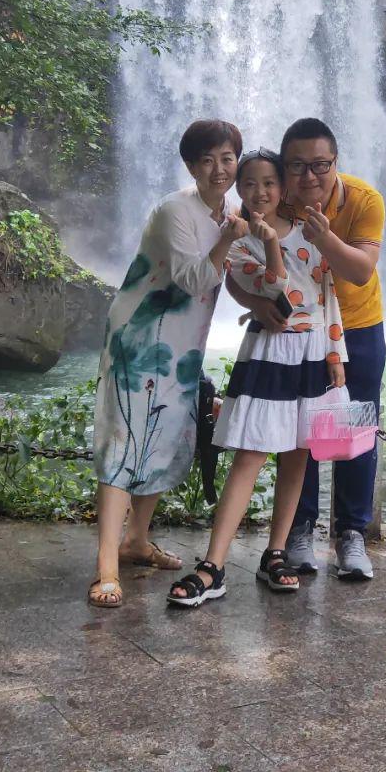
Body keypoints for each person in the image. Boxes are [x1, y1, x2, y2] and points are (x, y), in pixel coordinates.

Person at [167, 148, 348, 608]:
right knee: (250, 456)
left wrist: (335, 353)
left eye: (269, 183)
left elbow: (327, 298)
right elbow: (273, 290)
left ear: (283, 187)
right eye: (249, 184)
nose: (260, 192)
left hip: (311, 354)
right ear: (238, 190)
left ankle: (275, 554)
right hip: (269, 354)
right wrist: (269, 243)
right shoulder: (238, 242)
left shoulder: (310, 235)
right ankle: (214, 565)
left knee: (298, 456)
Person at [88, 120, 247, 608]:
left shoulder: (229, 213)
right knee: (124, 441)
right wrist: (230, 237)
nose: (219, 169)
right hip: (140, 339)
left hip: (182, 346)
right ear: (190, 166)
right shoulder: (175, 211)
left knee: (162, 437)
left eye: (227, 158)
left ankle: (137, 541)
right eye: (207, 160)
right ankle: (106, 570)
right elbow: (194, 280)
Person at [229, 118, 385, 582]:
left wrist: (325, 237)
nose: (310, 176)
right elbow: (239, 268)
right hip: (298, 335)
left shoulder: (362, 199)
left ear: (335, 162)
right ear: (284, 168)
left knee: (354, 427)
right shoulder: (277, 202)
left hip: (357, 327)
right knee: (300, 431)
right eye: (297, 166)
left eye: (321, 165)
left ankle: (351, 533)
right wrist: (256, 304)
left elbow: (360, 271)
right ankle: (299, 529)